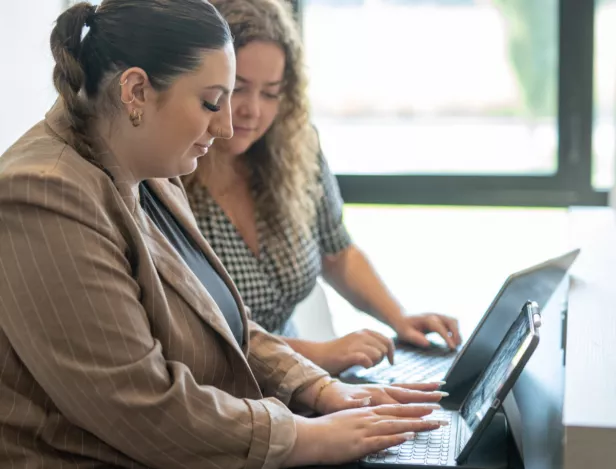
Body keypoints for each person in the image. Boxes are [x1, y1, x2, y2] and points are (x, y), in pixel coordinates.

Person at [0, 1, 450, 467]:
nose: (228, 125)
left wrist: (322, 388)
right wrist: (307, 437)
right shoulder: (43, 193)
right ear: (135, 90)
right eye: (212, 102)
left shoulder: (148, 166)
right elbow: (137, 405)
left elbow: (223, 324)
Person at [183, 0, 462, 375]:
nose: (252, 110)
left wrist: (400, 317)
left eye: (270, 93)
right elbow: (196, 336)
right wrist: (318, 354)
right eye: (236, 89)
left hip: (301, 381)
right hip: (227, 387)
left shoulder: (298, 150)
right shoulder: (170, 174)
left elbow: (338, 254)